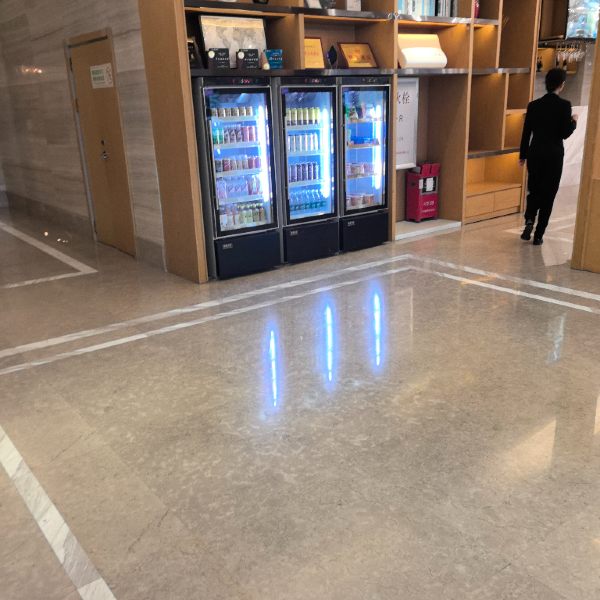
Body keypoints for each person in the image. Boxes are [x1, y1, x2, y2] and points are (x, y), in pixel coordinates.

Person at [519, 68, 578, 245]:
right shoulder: (565, 105)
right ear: (561, 85)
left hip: (535, 152)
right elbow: (564, 133)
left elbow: (526, 132)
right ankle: (538, 235)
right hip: (554, 155)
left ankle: (530, 219)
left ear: (546, 83)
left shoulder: (534, 105)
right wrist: (574, 121)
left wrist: (523, 154)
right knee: (549, 194)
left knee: (534, 189)